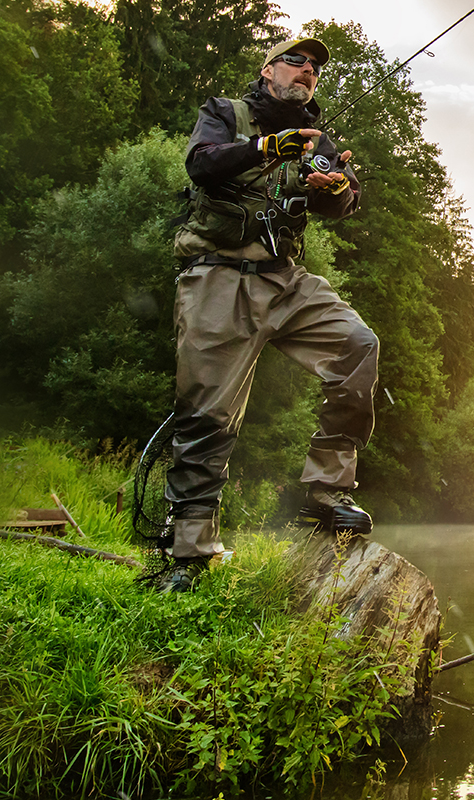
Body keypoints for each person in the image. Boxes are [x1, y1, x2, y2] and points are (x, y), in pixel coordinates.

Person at [158, 34, 380, 593]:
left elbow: (343, 200)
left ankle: (326, 496)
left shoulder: (319, 141)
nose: (306, 71)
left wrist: (333, 188)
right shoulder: (225, 114)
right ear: (268, 69)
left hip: (286, 282)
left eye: (314, 69)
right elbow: (201, 166)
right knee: (207, 413)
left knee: (358, 346)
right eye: (296, 61)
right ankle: (189, 554)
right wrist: (269, 149)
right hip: (218, 274)